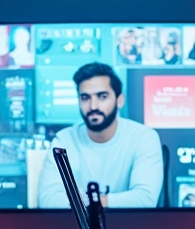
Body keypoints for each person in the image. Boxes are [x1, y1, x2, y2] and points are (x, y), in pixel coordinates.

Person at [36, 63, 163, 208]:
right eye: (85, 98)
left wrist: (92, 203)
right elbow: (47, 201)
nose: (93, 106)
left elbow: (145, 200)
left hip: (130, 228)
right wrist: (105, 203)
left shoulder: (143, 137)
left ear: (119, 100)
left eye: (102, 97)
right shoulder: (64, 141)